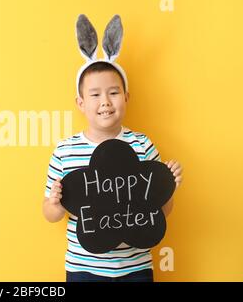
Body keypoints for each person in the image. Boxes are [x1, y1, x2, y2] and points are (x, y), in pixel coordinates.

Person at [42, 14, 183, 282]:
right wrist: (56, 203)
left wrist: (168, 187)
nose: (105, 101)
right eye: (95, 94)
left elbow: (161, 211)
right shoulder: (65, 151)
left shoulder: (142, 145)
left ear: (126, 97)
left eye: (114, 93)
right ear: (81, 103)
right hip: (84, 269)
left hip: (136, 267)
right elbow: (49, 214)